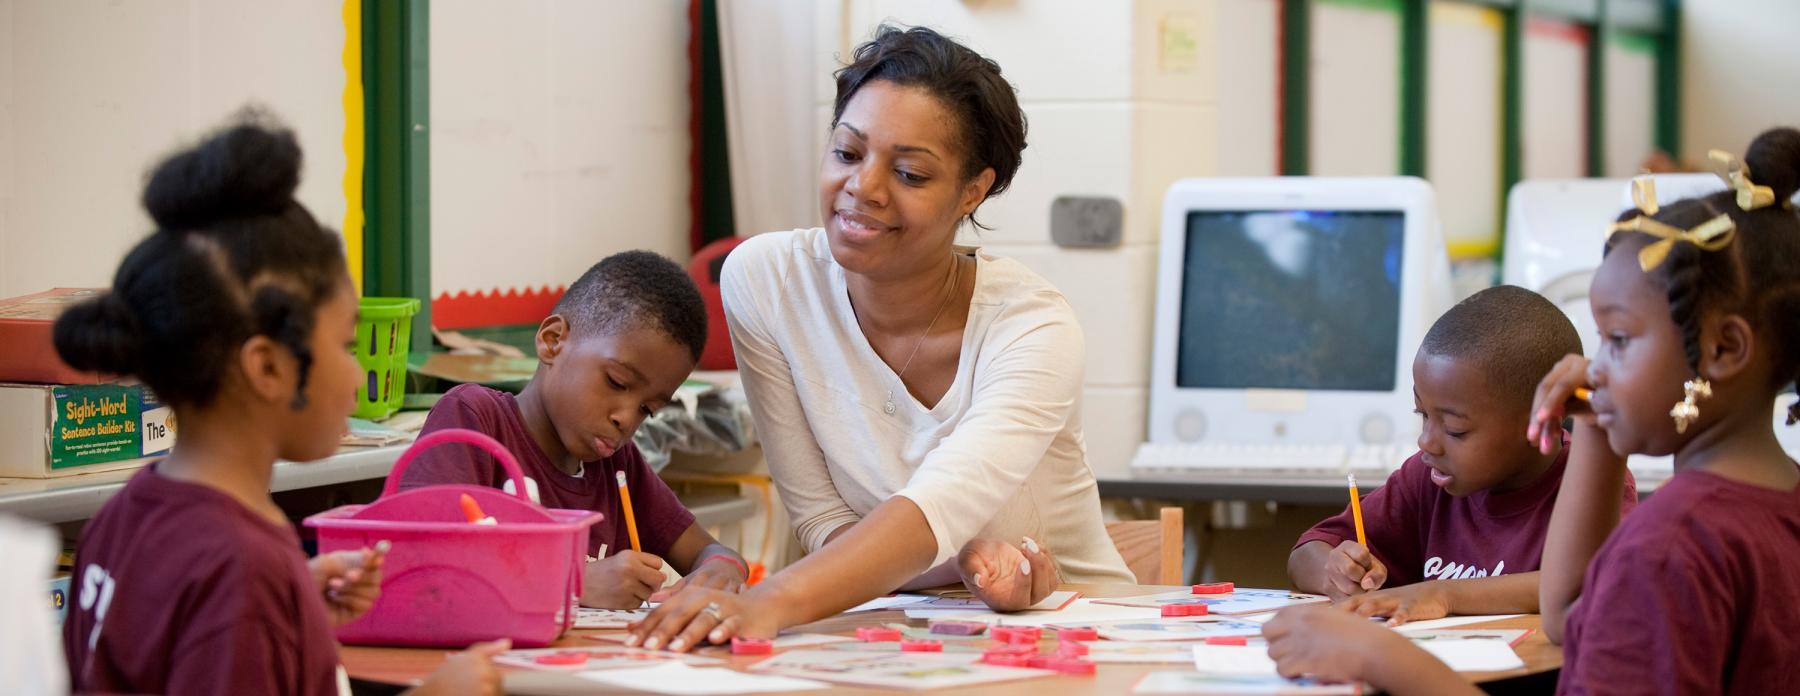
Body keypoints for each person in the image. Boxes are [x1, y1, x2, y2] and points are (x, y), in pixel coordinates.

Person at [625, 25, 1132, 652]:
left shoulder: (1033, 329)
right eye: (846, 153)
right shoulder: (767, 281)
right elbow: (822, 521)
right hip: (899, 634)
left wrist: (767, 601)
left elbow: (937, 508)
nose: (863, 188)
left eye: (911, 173)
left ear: (972, 191)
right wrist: (959, 566)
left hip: (1080, 631)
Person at [1261, 127, 1800, 695]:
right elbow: (1570, 615)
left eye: (1616, 340)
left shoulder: (1670, 545)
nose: (1594, 368)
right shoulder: (1773, 506)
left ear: (1723, 349)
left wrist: (1377, 655)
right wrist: (1593, 422)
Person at [56, 113, 504, 695]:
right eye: (345, 344)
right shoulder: (241, 572)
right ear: (267, 366)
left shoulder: (126, 516)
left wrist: (295, 612)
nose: (360, 372)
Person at [399, 251, 748, 609]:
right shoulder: (475, 420)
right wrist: (571, 583)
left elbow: (708, 549)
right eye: (616, 382)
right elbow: (421, 566)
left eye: (648, 409)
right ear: (553, 341)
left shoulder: (617, 466)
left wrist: (724, 566)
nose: (626, 419)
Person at [1288, 285, 1637, 624]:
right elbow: (1306, 552)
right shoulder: (1426, 479)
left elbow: (1586, 585)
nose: (1427, 442)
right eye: (1422, 414)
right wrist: (1335, 572)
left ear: (1543, 417)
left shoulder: (1591, 478)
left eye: (1455, 430)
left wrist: (1443, 594)